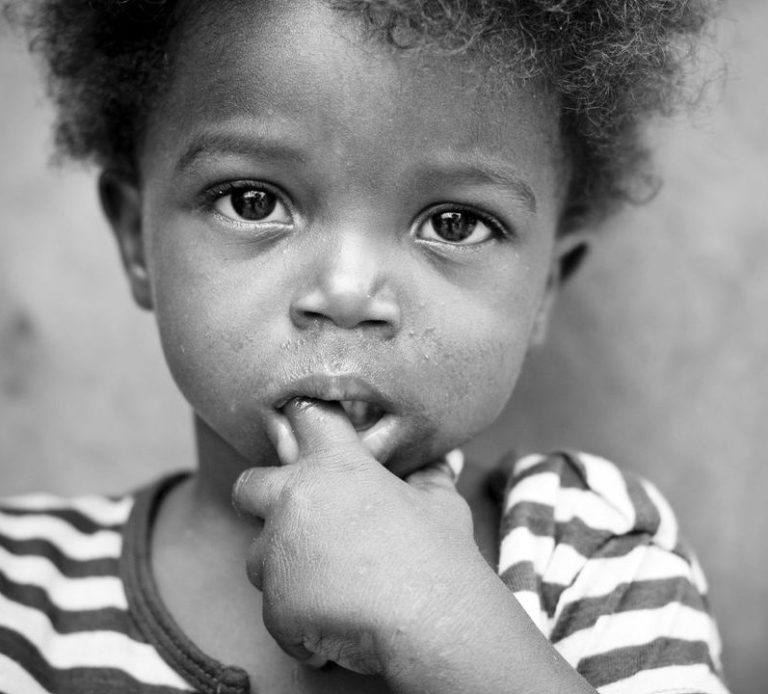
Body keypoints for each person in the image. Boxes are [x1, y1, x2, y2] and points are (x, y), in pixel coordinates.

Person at [0, 0, 729, 692]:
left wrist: (445, 623)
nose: (347, 292)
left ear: (544, 288)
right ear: (136, 241)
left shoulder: (594, 560)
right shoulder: (22, 594)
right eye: (254, 200)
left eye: (454, 223)